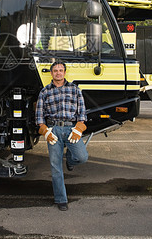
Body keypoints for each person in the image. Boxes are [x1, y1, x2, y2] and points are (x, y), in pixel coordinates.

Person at [35, 61, 88, 211]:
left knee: (82, 157)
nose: (58, 73)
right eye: (55, 70)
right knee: (55, 167)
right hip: (54, 130)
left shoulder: (75, 89)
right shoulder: (45, 92)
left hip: (71, 129)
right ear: (51, 73)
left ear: (65, 73)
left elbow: (82, 112)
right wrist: (45, 130)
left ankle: (70, 160)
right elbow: (39, 116)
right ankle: (61, 199)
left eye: (61, 70)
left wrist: (79, 127)